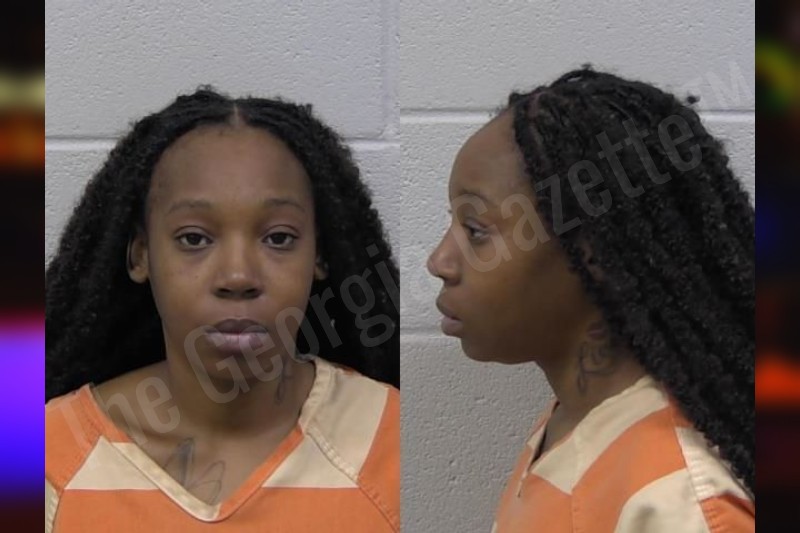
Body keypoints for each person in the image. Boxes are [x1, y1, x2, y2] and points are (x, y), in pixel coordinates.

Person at [45, 88, 399, 532]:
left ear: (320, 255)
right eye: (194, 238)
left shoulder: (392, 439)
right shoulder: (46, 458)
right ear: (140, 255)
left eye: (279, 238)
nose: (237, 276)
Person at [427, 67, 754, 532]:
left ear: (594, 250)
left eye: (475, 230)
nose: (439, 261)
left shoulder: (678, 504)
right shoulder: (574, 419)